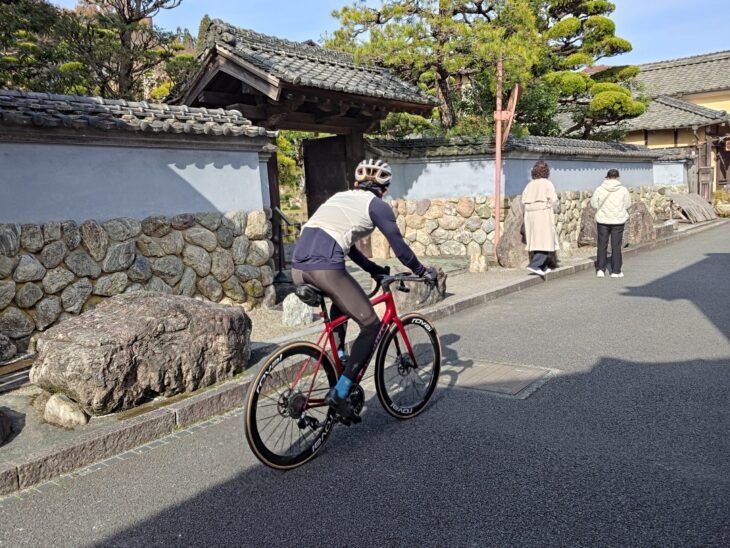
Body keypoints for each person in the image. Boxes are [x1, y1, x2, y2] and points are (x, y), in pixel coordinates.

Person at [291, 158, 438, 425]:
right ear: (385, 188)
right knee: (371, 325)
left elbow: (349, 248)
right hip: (325, 266)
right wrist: (421, 271)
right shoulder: (377, 206)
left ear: (356, 183)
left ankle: (341, 359)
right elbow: (399, 247)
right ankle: (340, 393)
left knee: (341, 302)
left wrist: (373, 269)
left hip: (298, 267)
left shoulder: (341, 198)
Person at [591, 168, 631, 278]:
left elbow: (594, 204)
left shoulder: (599, 189)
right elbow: (627, 204)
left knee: (602, 245)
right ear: (618, 177)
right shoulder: (623, 190)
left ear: (607, 177)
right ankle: (616, 271)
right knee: (616, 245)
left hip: (603, 220)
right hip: (618, 220)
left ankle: (600, 269)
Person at [522, 160, 559, 277]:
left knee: (536, 240)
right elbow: (553, 200)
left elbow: (523, 200)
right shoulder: (547, 184)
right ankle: (535, 265)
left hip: (530, 214)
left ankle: (543, 266)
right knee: (545, 240)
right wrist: (554, 207)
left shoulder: (530, 185)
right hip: (543, 213)